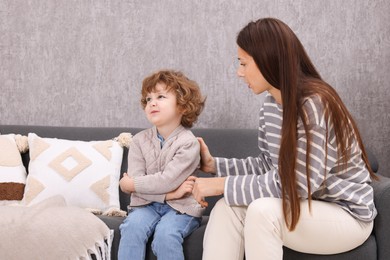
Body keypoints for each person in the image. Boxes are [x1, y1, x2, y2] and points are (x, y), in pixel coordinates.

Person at [192, 17, 377, 260]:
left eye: (244, 63)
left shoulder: (315, 104)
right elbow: (268, 166)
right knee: (227, 207)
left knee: (262, 211)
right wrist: (215, 166)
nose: (239, 72)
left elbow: (298, 185)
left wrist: (219, 185)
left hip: (345, 214)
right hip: (303, 207)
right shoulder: (270, 106)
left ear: (269, 60)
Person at [118, 70, 206, 260]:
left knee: (166, 236)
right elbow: (143, 180)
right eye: (148, 99)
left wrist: (132, 185)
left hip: (181, 207)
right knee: (132, 227)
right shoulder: (139, 141)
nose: (152, 103)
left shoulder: (189, 143)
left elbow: (165, 180)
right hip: (146, 205)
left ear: (183, 105)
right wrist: (171, 194)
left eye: (160, 96)